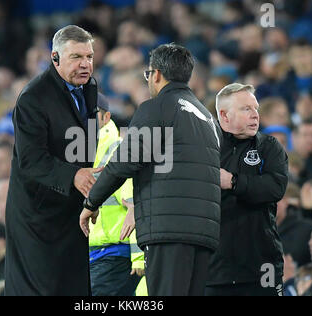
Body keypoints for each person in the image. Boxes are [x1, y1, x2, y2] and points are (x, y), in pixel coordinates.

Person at [80, 43, 222, 296]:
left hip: (167, 230)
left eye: (148, 75)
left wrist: (92, 202)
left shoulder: (156, 108)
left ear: (156, 74)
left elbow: (124, 162)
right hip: (204, 233)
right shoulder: (207, 118)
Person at [5, 25, 101, 296]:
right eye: (76, 57)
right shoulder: (32, 98)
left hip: (71, 209)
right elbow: (31, 160)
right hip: (38, 216)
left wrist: (89, 194)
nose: (85, 64)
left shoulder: (90, 87)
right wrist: (74, 176)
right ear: (55, 58)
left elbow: (87, 144)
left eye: (90, 57)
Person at [206, 83, 288, 296]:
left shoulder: (269, 146)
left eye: (256, 109)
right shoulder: (205, 150)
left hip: (262, 265)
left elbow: (275, 188)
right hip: (215, 268)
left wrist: (233, 182)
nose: (255, 115)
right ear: (224, 115)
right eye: (246, 109)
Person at [88, 93, 145, 296]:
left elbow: (135, 204)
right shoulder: (82, 154)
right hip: (94, 255)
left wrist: (138, 256)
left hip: (114, 253)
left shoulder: (117, 150)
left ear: (106, 117)